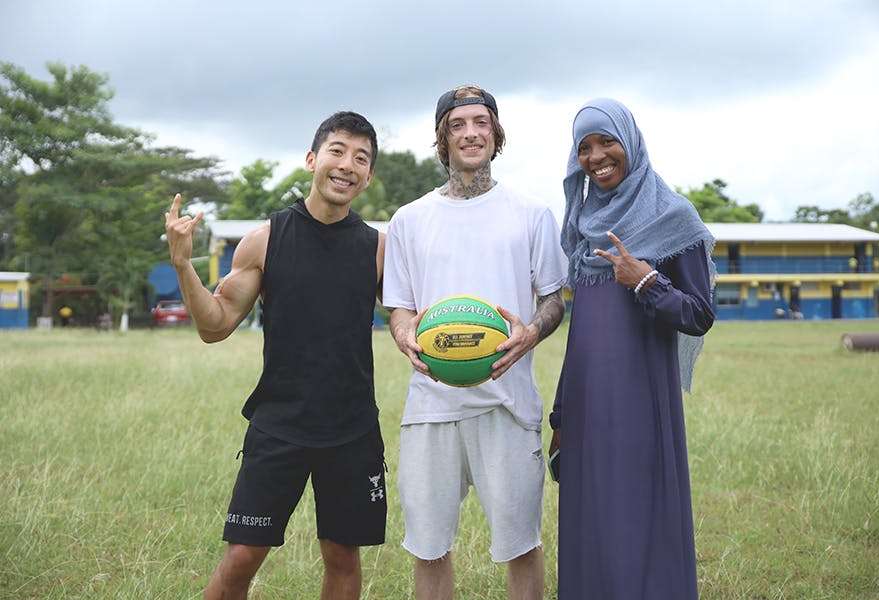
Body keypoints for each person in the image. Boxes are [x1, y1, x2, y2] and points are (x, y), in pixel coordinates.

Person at [165, 111, 387, 600]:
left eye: (361, 158)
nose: (347, 164)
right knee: (242, 557)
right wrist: (183, 265)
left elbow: (412, 318)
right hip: (279, 423)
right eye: (337, 151)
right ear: (312, 160)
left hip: (352, 428)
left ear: (368, 176)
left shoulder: (378, 249)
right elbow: (215, 325)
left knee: (343, 557)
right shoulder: (265, 239)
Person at [383, 85, 567, 600]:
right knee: (428, 546)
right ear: (443, 137)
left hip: (507, 405)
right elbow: (400, 305)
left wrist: (531, 332)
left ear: (496, 132)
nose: (471, 133)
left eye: (481, 122)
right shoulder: (409, 219)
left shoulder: (531, 214)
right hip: (431, 405)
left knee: (521, 544)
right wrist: (403, 334)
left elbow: (554, 299)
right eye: (458, 124)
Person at [549, 98, 716, 599]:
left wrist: (647, 282)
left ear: (632, 144)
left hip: (642, 402)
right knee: (593, 525)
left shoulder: (672, 216)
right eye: (585, 147)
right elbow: (580, 336)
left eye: (607, 142)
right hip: (587, 406)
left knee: (638, 521)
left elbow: (699, 315)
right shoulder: (583, 225)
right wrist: (561, 417)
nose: (596, 156)